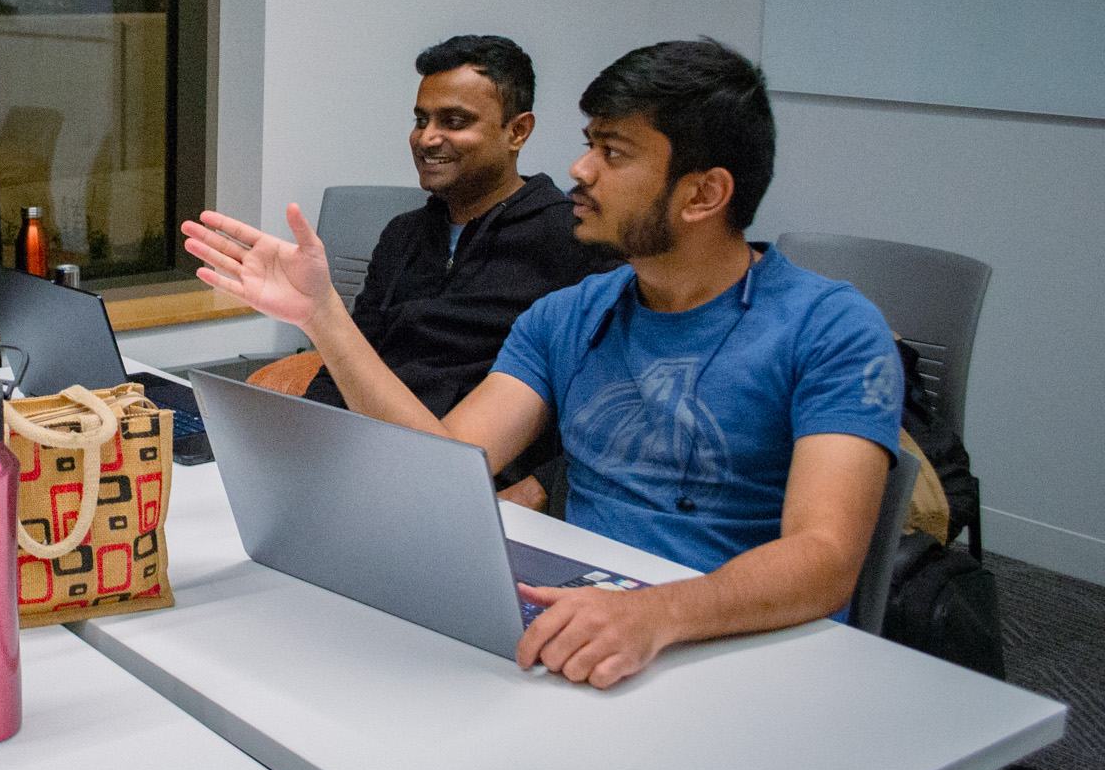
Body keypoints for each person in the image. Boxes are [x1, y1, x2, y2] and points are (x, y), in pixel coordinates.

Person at [184, 40, 902, 690]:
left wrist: (657, 614)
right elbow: (443, 462)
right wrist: (321, 315)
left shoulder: (832, 328)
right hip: (585, 619)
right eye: (590, 144)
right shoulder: (572, 314)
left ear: (704, 193)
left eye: (614, 154)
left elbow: (826, 555)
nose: (579, 170)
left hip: (740, 644)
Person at [301, 35, 613, 479]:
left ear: (517, 131)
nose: (427, 139)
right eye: (421, 119)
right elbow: (350, 357)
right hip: (364, 460)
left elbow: (598, 403)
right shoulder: (402, 235)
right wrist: (295, 440)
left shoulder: (571, 237)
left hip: (471, 474)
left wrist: (537, 490)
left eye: (454, 121)